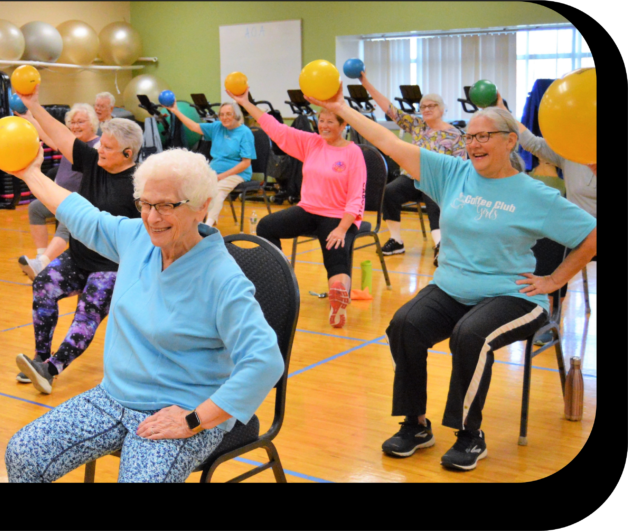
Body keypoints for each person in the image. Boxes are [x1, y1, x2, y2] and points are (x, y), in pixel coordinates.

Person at [306, 86, 596, 471]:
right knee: (404, 324)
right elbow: (390, 143)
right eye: (470, 136)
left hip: (515, 294)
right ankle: (416, 425)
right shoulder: (451, 172)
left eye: (484, 136)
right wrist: (340, 107)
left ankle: (469, 434)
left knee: (470, 335)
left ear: (510, 141)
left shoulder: (534, 193)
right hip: (452, 285)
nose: (474, 144)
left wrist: (555, 279)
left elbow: (591, 234)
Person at [4, 147, 283, 483]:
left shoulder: (223, 278)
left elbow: (265, 361)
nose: (152, 217)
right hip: (113, 396)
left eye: (167, 205)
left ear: (202, 206)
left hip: (179, 410)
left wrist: (194, 419)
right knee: (23, 454)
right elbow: (81, 215)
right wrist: (30, 173)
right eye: (146, 204)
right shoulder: (137, 238)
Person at [13, 86, 141, 391]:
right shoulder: (94, 161)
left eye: (107, 148)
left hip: (111, 267)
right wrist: (34, 104)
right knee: (43, 285)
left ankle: (50, 369)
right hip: (79, 256)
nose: (99, 150)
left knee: (87, 315)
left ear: (127, 154)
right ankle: (39, 358)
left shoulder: (140, 187)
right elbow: (59, 135)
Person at [227, 89, 366, 329]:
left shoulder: (353, 153)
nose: (323, 126)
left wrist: (343, 229)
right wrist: (245, 103)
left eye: (330, 122)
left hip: (337, 216)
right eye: (321, 121)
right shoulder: (312, 143)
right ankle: (279, 280)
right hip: (308, 210)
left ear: (343, 125)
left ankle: (338, 304)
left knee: (335, 255)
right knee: (266, 226)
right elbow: (276, 128)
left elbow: (356, 198)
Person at [360, 72, 467, 262]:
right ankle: (396, 240)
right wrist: (365, 83)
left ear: (442, 109)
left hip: (437, 181)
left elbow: (461, 166)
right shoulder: (417, 125)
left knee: (433, 197)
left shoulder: (456, 134)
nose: (426, 109)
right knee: (389, 192)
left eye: (431, 105)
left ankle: (440, 245)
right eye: (423, 106)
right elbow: (390, 109)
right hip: (411, 178)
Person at [516, 100, 597, 345]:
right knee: (545, 242)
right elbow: (531, 143)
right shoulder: (572, 151)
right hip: (578, 231)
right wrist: (503, 110)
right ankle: (548, 314)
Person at [17, 104, 101, 280]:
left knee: (67, 218)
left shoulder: (97, 145)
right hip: (57, 197)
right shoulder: (69, 142)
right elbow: (48, 136)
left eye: (80, 122)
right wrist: (30, 119)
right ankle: (40, 257)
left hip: (81, 203)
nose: (75, 126)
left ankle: (43, 262)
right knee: (35, 208)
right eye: (72, 122)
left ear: (92, 123)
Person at [164, 101, 255, 227]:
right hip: (214, 171)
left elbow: (245, 163)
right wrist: (175, 111)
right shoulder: (217, 127)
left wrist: (221, 176)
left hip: (237, 173)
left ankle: (207, 226)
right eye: (222, 114)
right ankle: (189, 221)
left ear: (236, 115)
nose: (224, 117)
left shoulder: (245, 133)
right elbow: (194, 127)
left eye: (228, 114)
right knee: (190, 186)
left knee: (217, 190)